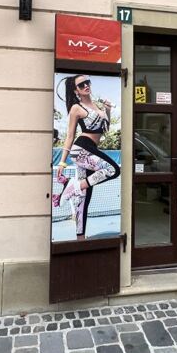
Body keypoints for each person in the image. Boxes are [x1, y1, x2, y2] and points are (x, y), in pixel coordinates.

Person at [53, 75, 120, 238]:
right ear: (76, 90)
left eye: (87, 82)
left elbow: (104, 129)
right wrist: (62, 162)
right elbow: (70, 136)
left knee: (84, 198)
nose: (86, 86)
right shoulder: (76, 108)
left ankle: (80, 239)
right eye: (81, 85)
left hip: (91, 150)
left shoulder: (98, 106)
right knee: (113, 170)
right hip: (81, 149)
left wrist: (107, 110)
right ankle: (73, 186)